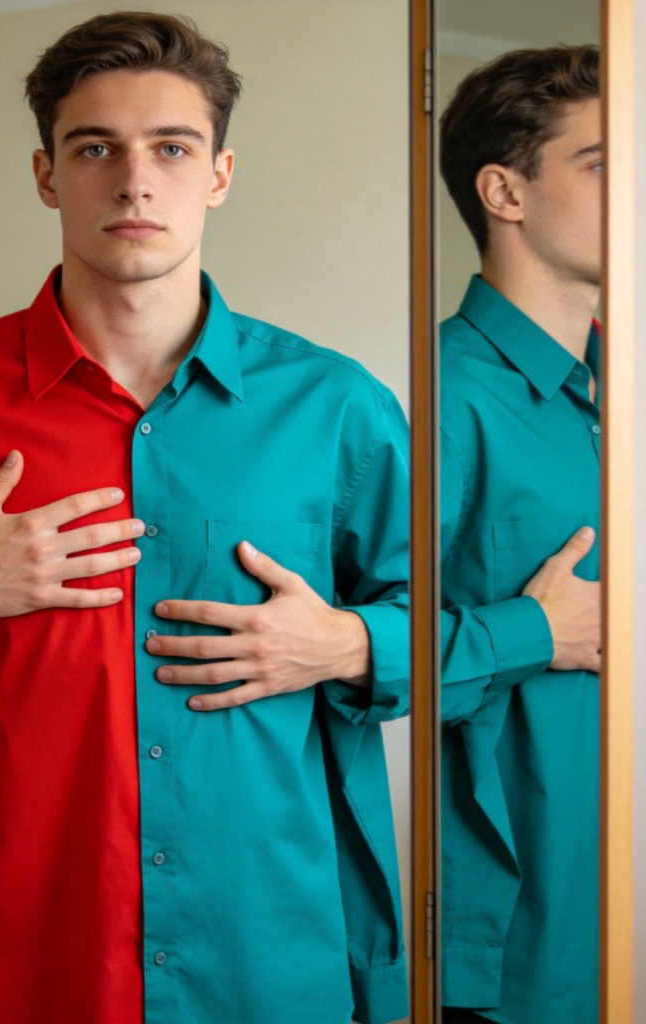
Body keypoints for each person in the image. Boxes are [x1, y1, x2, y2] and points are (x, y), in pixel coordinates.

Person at [0, 12, 411, 1024]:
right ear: (48, 175)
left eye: (170, 148)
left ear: (218, 174)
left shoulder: (340, 407)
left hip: (271, 959)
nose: (133, 180)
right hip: (10, 963)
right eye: (95, 148)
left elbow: (438, 634)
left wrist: (351, 641)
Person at [436, 45, 602, 1024]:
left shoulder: (613, 399)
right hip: (519, 960)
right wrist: (534, 632)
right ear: (505, 190)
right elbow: (360, 663)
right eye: (600, 162)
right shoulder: (436, 397)